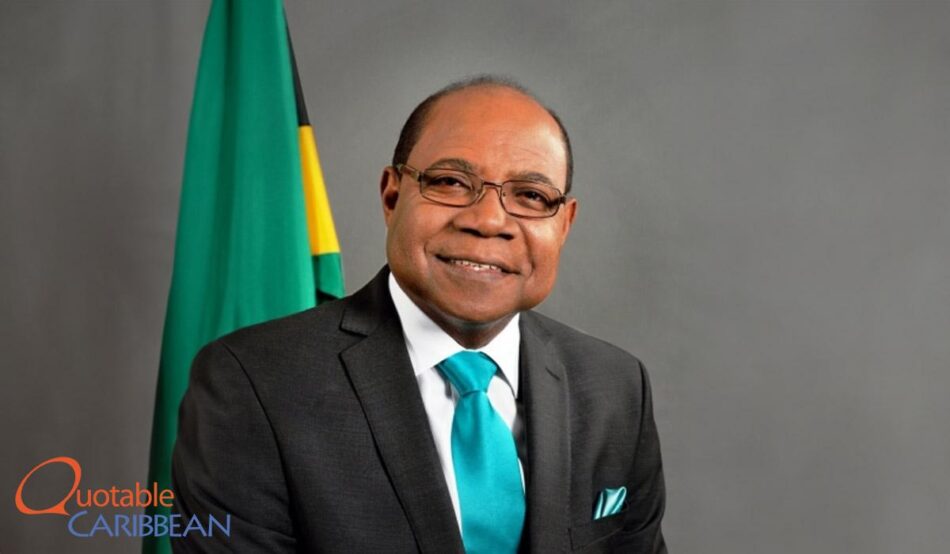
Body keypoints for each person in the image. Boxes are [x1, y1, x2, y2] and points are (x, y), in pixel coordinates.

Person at [172, 76, 666, 553]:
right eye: (451, 182)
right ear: (392, 197)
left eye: (531, 196)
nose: (489, 221)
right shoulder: (253, 384)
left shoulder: (616, 388)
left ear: (564, 224)